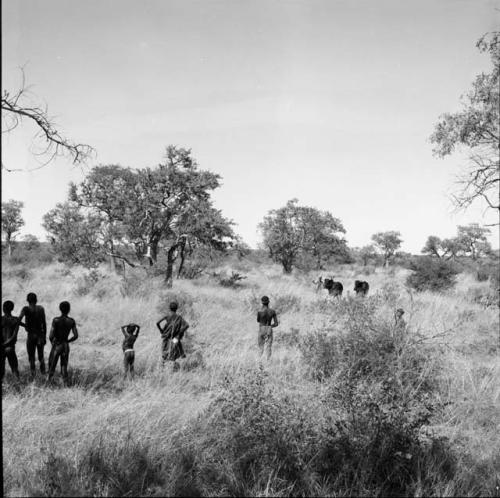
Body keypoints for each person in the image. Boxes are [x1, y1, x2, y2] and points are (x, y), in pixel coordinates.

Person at [48, 301, 78, 385]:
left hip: (57, 344)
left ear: (60, 309)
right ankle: (65, 384)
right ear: (69, 310)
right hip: (65, 345)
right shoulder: (71, 321)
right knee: (64, 367)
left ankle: (49, 383)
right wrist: (68, 341)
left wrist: (53, 343)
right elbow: (75, 336)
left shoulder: (56, 320)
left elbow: (51, 336)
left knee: (52, 366)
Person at [19, 292, 47, 377]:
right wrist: (44, 336)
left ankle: (33, 375)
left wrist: (25, 325)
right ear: (36, 300)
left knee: (31, 358)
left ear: (27, 300)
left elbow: (18, 320)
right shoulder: (41, 308)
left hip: (31, 335)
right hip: (40, 335)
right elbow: (44, 324)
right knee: (41, 356)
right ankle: (43, 373)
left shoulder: (25, 309)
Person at [2, 301, 21, 380]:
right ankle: (18, 386)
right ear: (12, 309)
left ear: (3, 308)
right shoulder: (16, 320)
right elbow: (14, 336)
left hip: (2, 348)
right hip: (10, 348)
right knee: (14, 369)